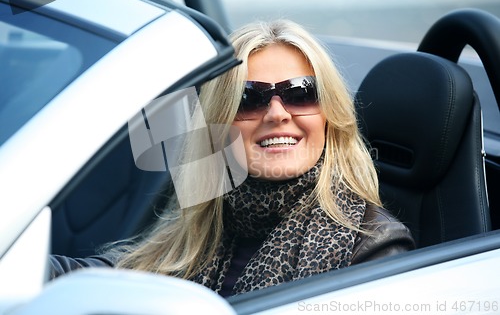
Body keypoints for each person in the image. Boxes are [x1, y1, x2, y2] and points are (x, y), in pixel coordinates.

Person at [50, 19, 415, 296]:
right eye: (249, 98)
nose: (277, 114)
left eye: (300, 93)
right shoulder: (206, 223)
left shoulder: (373, 247)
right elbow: (104, 278)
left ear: (329, 116)